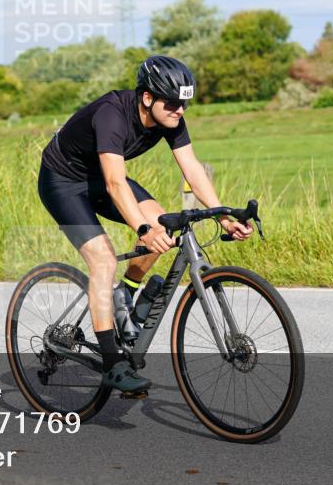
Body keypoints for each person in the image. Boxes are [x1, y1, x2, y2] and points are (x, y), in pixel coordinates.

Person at [37, 55, 253, 393]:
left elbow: (193, 170)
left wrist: (223, 216)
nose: (180, 110)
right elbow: (115, 184)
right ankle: (112, 364)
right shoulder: (112, 114)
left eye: (185, 103)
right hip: (63, 182)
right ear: (147, 97)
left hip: (101, 178)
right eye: (172, 102)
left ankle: (126, 293)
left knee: (164, 225)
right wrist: (142, 229)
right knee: (104, 260)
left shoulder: (171, 119)